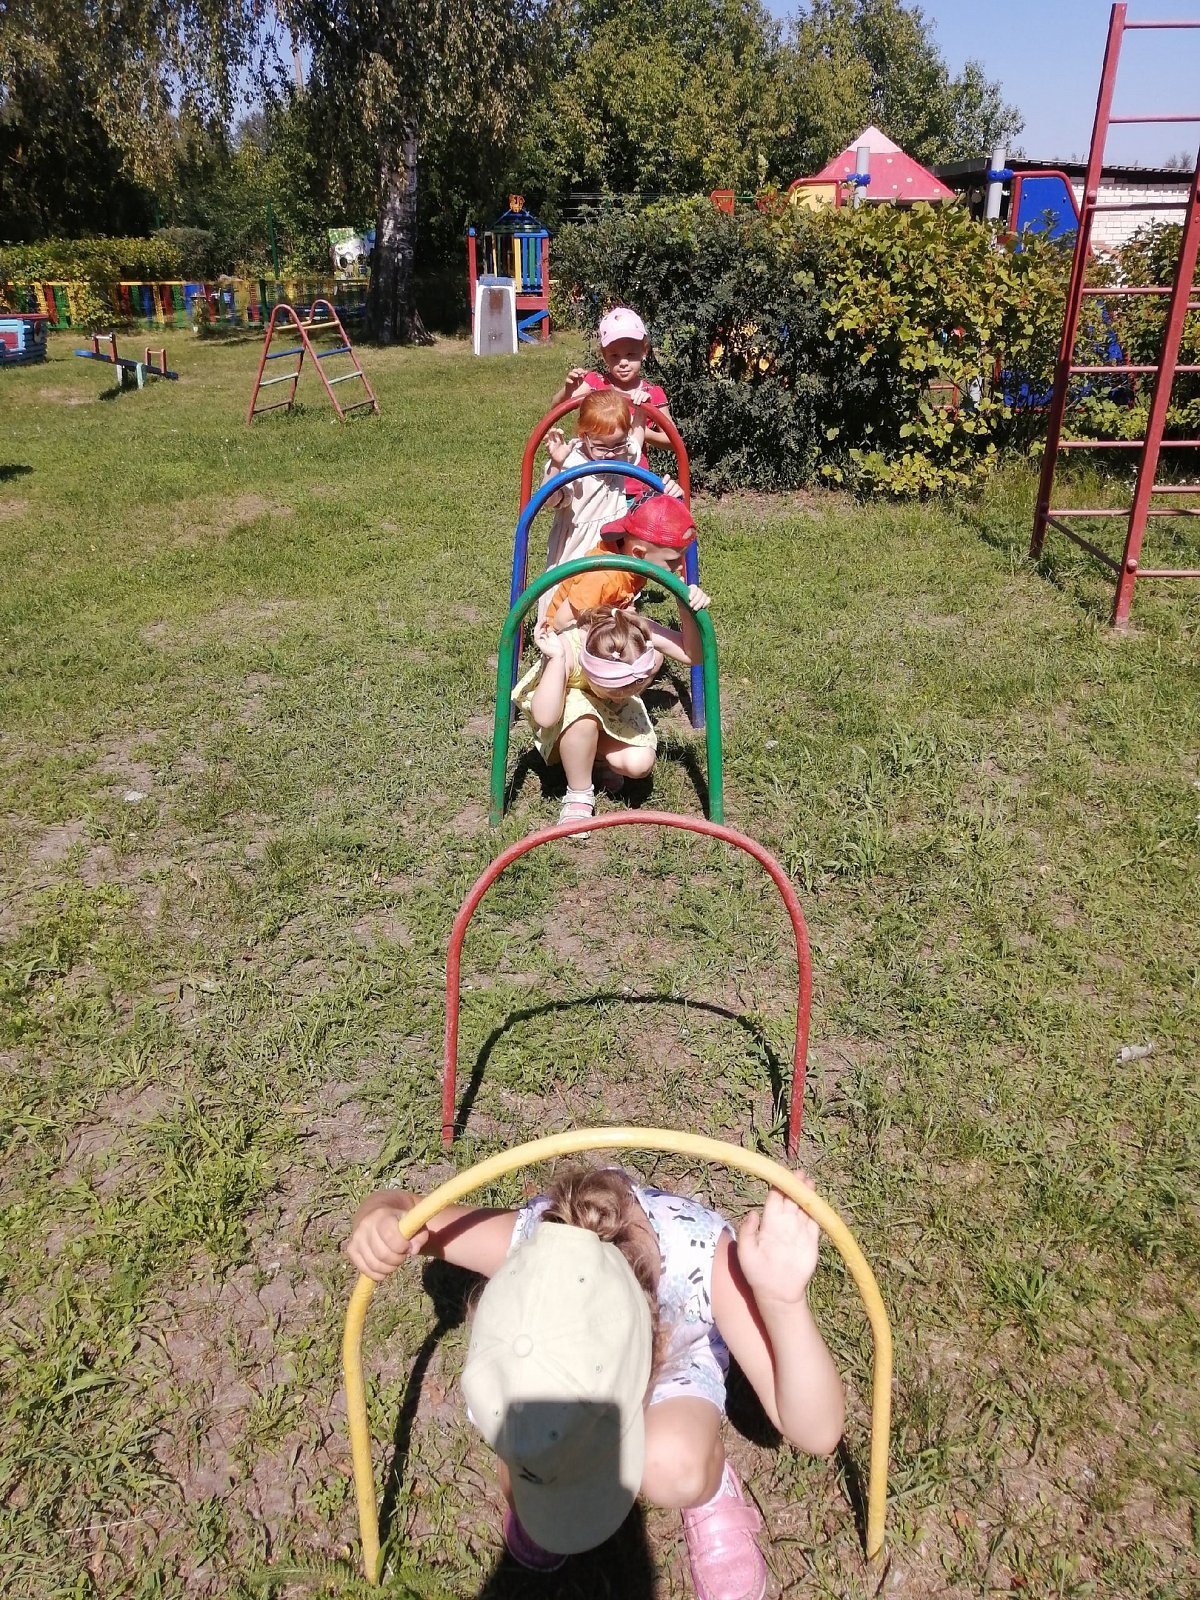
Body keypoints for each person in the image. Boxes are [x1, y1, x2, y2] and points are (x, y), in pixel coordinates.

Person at [348, 1162, 846, 1600]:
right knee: (536, 1455)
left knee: (672, 1465)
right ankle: (545, 1459)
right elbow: (408, 1208)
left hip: (679, 1357)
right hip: (587, 1357)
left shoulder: (705, 1263)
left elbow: (818, 1431)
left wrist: (781, 1302)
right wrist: (379, 1220)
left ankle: (710, 1489)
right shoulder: (528, 1250)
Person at [512, 605, 682, 826]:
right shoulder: (566, 650)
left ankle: (596, 759)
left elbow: (694, 653)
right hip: (567, 723)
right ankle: (579, 794)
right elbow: (545, 718)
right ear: (590, 673)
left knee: (639, 763)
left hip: (609, 720)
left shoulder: (631, 638)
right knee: (582, 715)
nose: (619, 699)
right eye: (614, 693)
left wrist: (688, 606)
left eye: (627, 693)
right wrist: (556, 659)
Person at [539, 391, 684, 625]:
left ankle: (607, 635)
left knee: (611, 589)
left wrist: (641, 411)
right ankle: (555, 634)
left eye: (617, 445)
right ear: (583, 436)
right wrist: (556, 464)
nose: (610, 453)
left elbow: (635, 441)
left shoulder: (621, 451)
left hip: (610, 539)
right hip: (578, 541)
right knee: (571, 596)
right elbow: (549, 499)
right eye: (601, 447)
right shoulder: (570, 461)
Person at [541, 492, 706, 639]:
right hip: (563, 642)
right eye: (672, 560)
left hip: (599, 630)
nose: (679, 567)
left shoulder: (635, 566)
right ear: (638, 554)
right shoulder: (603, 576)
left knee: (651, 654)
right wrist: (618, 619)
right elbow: (561, 623)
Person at [551, 306, 675, 488]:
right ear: (604, 355)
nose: (623, 362)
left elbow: (672, 440)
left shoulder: (651, 393)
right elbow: (556, 410)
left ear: (644, 351)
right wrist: (568, 390)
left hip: (633, 482)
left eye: (630, 354)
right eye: (615, 356)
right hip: (592, 481)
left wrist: (636, 428)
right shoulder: (595, 383)